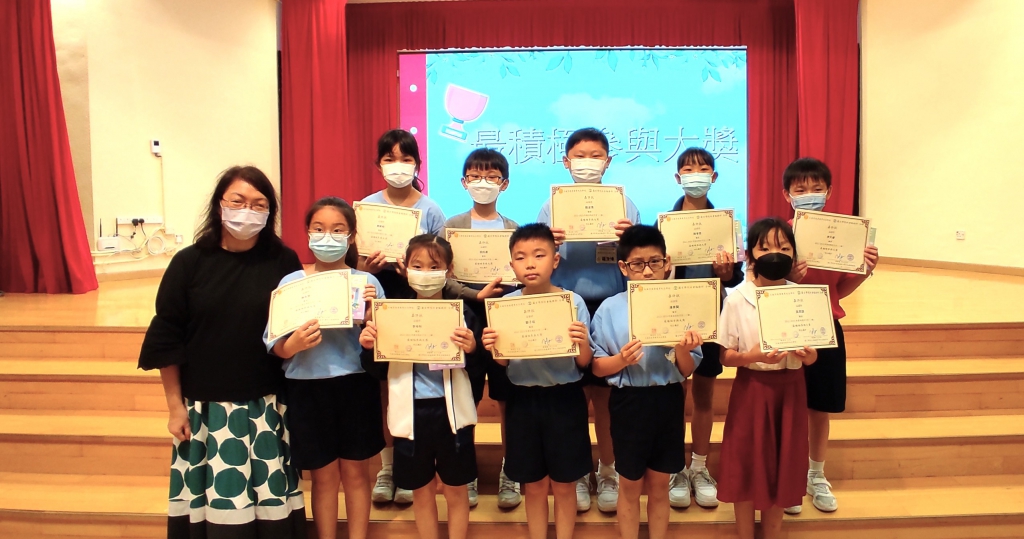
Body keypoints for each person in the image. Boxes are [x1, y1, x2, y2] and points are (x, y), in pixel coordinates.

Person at [138, 166, 306, 538]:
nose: (248, 211)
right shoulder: (189, 263)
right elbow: (167, 337)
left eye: (259, 204)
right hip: (206, 412)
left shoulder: (283, 261)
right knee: (215, 510)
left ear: (270, 213)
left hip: (265, 407)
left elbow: (291, 330)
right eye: (238, 201)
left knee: (270, 511)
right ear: (219, 205)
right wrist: (175, 407)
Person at [264, 197, 384, 539]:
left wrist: (371, 320)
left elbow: (385, 342)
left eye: (337, 230)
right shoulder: (291, 282)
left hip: (355, 386)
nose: (327, 237)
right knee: (323, 477)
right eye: (319, 229)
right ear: (307, 233)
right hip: (307, 388)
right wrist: (293, 345)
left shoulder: (367, 283)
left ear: (351, 236)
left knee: (357, 475)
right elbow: (275, 344)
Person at [538, 127, 640, 512]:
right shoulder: (550, 207)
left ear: (608, 162)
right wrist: (549, 243)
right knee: (574, 396)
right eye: (580, 156)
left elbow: (638, 260)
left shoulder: (625, 205)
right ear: (566, 162)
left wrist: (629, 239)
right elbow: (539, 259)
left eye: (595, 156)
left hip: (612, 307)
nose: (587, 163)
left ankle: (608, 469)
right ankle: (578, 471)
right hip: (568, 309)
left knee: (607, 398)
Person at [358, 234, 483, 539]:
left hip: (452, 416)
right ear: (405, 268)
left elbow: (480, 370)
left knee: (456, 490)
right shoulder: (392, 313)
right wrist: (368, 347)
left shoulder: (463, 314)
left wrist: (472, 349)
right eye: (418, 265)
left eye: (434, 266)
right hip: (410, 416)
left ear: (449, 270)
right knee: (421, 492)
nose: (425, 273)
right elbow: (377, 370)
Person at [590, 225, 704, 539]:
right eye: (638, 264)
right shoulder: (609, 309)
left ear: (667, 263)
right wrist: (621, 360)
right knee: (629, 485)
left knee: (659, 485)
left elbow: (686, 370)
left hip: (668, 399)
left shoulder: (680, 305)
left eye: (655, 262)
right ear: (623, 267)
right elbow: (597, 368)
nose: (648, 271)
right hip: (628, 403)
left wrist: (683, 349)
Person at [780, 158, 880, 514]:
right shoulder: (779, 235)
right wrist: (788, 277)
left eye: (816, 188)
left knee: (820, 407)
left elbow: (839, 291)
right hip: (787, 324)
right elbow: (765, 285)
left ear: (829, 191)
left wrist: (864, 271)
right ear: (787, 195)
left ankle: (816, 474)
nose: (809, 195)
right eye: (800, 189)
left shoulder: (844, 235)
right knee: (787, 405)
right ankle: (788, 475)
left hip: (827, 327)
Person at [483, 223, 593, 539]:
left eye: (539, 255)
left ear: (555, 260)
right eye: (521, 257)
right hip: (523, 401)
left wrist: (581, 342)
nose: (530, 264)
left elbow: (584, 362)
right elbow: (503, 362)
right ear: (512, 265)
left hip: (565, 400)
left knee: (565, 484)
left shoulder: (573, 302)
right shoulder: (504, 306)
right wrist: (493, 346)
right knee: (533, 485)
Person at [361, 129, 447, 504]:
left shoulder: (431, 210)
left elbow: (443, 263)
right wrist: (366, 268)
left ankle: (418, 467)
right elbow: (353, 265)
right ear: (379, 164)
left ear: (417, 164)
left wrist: (415, 271)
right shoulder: (366, 207)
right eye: (390, 159)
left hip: (422, 299)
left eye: (406, 159)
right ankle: (388, 467)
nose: (398, 166)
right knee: (387, 386)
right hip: (379, 297)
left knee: (417, 384)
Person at [717, 218, 818, 539]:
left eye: (784, 248)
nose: (776, 254)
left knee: (782, 467)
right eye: (766, 248)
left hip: (791, 391)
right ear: (750, 255)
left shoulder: (803, 296)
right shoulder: (736, 298)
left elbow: (814, 355)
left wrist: (807, 355)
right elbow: (725, 356)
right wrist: (753, 356)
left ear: (794, 255)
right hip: (752, 390)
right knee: (747, 465)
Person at [441, 148, 522, 509]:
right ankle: (467, 472)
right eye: (475, 176)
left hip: (504, 317)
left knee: (508, 398)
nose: (482, 183)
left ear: (504, 184)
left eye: (491, 177)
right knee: (466, 397)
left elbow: (523, 273)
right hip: (465, 318)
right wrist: (475, 294)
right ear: (464, 182)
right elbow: (442, 277)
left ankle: (511, 472)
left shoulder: (514, 229)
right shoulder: (452, 227)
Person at [665, 147, 744, 509]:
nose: (695, 174)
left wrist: (726, 274)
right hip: (673, 317)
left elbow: (736, 277)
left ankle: (699, 466)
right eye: (688, 169)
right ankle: (674, 468)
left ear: (713, 177)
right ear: (677, 177)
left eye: (702, 169)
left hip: (711, 318)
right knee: (674, 395)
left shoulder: (726, 225)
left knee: (704, 394)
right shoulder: (665, 223)